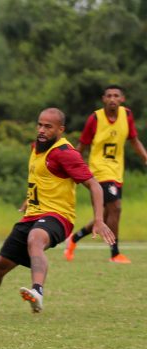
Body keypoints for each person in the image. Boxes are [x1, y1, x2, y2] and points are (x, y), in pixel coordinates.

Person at [0, 108, 116, 318]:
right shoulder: (36, 148)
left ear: (61, 129)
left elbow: (94, 185)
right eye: (39, 125)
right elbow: (41, 178)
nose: (41, 130)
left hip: (59, 217)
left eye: (48, 127)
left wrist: (99, 219)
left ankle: (37, 291)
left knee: (35, 238)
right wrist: (29, 197)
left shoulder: (65, 153)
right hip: (32, 215)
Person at [64, 85, 147, 264]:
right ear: (103, 99)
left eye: (116, 95)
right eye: (109, 95)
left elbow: (134, 140)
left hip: (117, 171)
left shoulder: (127, 116)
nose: (112, 99)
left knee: (105, 217)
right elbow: (82, 146)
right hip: (99, 170)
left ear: (122, 99)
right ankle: (115, 254)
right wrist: (72, 168)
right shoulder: (95, 118)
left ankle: (74, 239)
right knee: (116, 208)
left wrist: (145, 158)